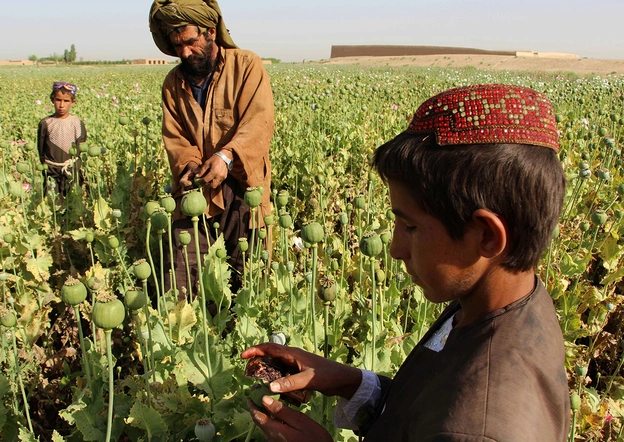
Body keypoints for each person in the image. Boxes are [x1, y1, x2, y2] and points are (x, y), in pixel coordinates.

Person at [242, 84, 570, 441]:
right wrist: (352, 382)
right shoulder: (492, 302)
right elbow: (422, 412)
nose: (396, 248)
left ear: (487, 236)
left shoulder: (480, 429)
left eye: (410, 226)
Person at [149, 0, 274, 296]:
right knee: (180, 284)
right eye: (177, 46)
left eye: (190, 42)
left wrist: (227, 156)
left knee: (247, 284)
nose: (184, 53)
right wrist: (190, 165)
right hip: (196, 197)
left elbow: (258, 124)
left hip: (245, 193)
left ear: (211, 32)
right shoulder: (173, 84)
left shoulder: (246, 66)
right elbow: (176, 138)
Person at [37, 81, 87, 197]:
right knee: (53, 203)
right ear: (52, 100)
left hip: (72, 171)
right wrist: (48, 167)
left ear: (73, 102)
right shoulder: (46, 123)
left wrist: (74, 167)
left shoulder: (77, 123)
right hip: (51, 171)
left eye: (66, 101)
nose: (61, 105)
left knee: (73, 201)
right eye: (58, 100)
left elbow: (80, 147)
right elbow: (41, 149)